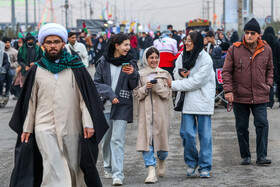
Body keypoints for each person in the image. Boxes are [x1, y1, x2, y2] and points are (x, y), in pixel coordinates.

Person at [9, 23, 109, 187]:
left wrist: (88, 124)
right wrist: (26, 128)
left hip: (72, 126)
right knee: (53, 167)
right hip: (44, 127)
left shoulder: (76, 68)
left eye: (56, 41)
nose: (53, 45)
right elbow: (31, 102)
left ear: (63, 43)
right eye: (49, 42)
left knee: (73, 168)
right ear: (42, 45)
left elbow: (84, 99)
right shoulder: (37, 69)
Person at [222, 18, 273, 166]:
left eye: (252, 33)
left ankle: (262, 156)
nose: (249, 35)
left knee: (262, 124)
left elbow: (270, 69)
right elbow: (226, 72)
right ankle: (245, 156)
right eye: (247, 32)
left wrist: (268, 84)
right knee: (242, 127)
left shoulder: (266, 49)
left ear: (259, 35)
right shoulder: (234, 49)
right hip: (239, 96)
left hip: (260, 95)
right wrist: (228, 90)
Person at [94, 33, 140, 186]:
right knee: (106, 139)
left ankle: (117, 174)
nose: (129, 48)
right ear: (117, 46)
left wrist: (133, 74)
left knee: (117, 140)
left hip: (123, 105)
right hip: (105, 105)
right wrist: (110, 94)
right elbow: (97, 83)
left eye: (129, 45)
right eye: (126, 45)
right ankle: (108, 166)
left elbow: (134, 85)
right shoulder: (103, 62)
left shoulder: (131, 62)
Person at [169, 31, 215, 178]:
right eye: (186, 40)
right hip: (187, 101)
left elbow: (197, 82)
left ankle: (205, 166)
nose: (187, 43)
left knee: (205, 136)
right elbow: (175, 71)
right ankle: (191, 162)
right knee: (187, 134)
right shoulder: (182, 56)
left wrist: (174, 84)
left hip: (202, 101)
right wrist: (180, 74)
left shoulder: (206, 59)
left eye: (190, 40)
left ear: (197, 42)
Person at [134, 47, 172, 184]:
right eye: (151, 58)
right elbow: (137, 94)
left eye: (156, 57)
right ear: (146, 59)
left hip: (161, 114)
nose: (154, 60)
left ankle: (161, 159)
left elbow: (167, 94)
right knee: (147, 141)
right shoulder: (140, 75)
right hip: (145, 114)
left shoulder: (164, 74)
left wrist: (156, 87)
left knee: (162, 142)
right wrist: (146, 88)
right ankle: (151, 169)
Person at [16, 33, 43, 99]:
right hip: (24, 71)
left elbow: (42, 58)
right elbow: (19, 60)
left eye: (31, 40)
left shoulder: (38, 48)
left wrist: (35, 63)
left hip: (36, 71)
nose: (30, 41)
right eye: (28, 40)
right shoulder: (22, 48)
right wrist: (24, 66)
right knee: (25, 87)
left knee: (35, 87)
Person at [262, 26, 280, 108]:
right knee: (273, 83)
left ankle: (267, 102)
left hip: (263, 65)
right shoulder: (276, 41)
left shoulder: (262, 41)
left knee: (264, 84)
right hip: (275, 65)